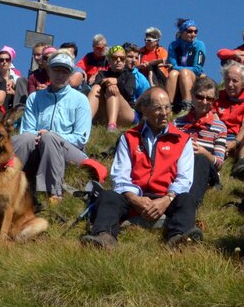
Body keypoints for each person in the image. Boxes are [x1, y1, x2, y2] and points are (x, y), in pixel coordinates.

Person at [80, 88, 200, 249]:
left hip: (166, 196)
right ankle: (105, 237)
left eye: (167, 107)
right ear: (144, 109)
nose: (164, 113)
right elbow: (120, 175)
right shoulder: (129, 137)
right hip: (135, 195)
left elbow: (184, 178)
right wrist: (135, 199)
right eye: (158, 108)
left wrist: (166, 200)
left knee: (187, 198)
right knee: (108, 195)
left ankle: (179, 238)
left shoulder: (182, 140)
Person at [12, 52, 106, 204]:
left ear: (70, 74)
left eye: (65, 71)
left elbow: (81, 138)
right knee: (23, 139)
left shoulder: (80, 99)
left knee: (50, 138)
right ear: (49, 70)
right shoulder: (34, 98)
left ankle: (52, 193)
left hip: (72, 151)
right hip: (38, 143)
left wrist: (52, 134)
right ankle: (8, 184)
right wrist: (40, 135)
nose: (60, 74)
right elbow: (26, 130)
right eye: (56, 70)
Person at [173, 76, 227, 208]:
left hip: (207, 171)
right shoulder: (177, 123)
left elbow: (219, 163)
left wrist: (204, 153)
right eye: (200, 96)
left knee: (200, 160)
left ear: (214, 101)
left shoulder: (220, 127)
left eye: (209, 98)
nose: (204, 102)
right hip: (180, 167)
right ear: (192, 95)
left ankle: (191, 205)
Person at [217, 62, 244, 182]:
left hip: (238, 138)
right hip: (219, 136)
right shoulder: (217, 96)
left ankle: (243, 164)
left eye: (234, 81)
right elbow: (213, 119)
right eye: (227, 80)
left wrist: (235, 142)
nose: (230, 84)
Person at [88, 45, 140, 130]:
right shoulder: (102, 74)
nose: (118, 60)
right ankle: (85, 122)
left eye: (122, 58)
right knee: (96, 87)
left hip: (126, 113)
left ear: (124, 61)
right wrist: (108, 83)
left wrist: (117, 82)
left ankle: (111, 126)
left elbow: (129, 94)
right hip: (105, 112)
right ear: (109, 60)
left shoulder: (129, 76)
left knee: (112, 88)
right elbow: (96, 86)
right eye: (115, 58)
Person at [165, 19, 206, 112]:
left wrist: (176, 68)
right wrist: (174, 68)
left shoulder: (199, 45)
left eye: (195, 31)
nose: (193, 34)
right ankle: (167, 106)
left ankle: (187, 105)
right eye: (189, 31)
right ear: (182, 32)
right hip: (177, 76)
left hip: (195, 76)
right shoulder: (173, 45)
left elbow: (197, 69)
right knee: (173, 74)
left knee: (184, 72)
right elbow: (172, 65)